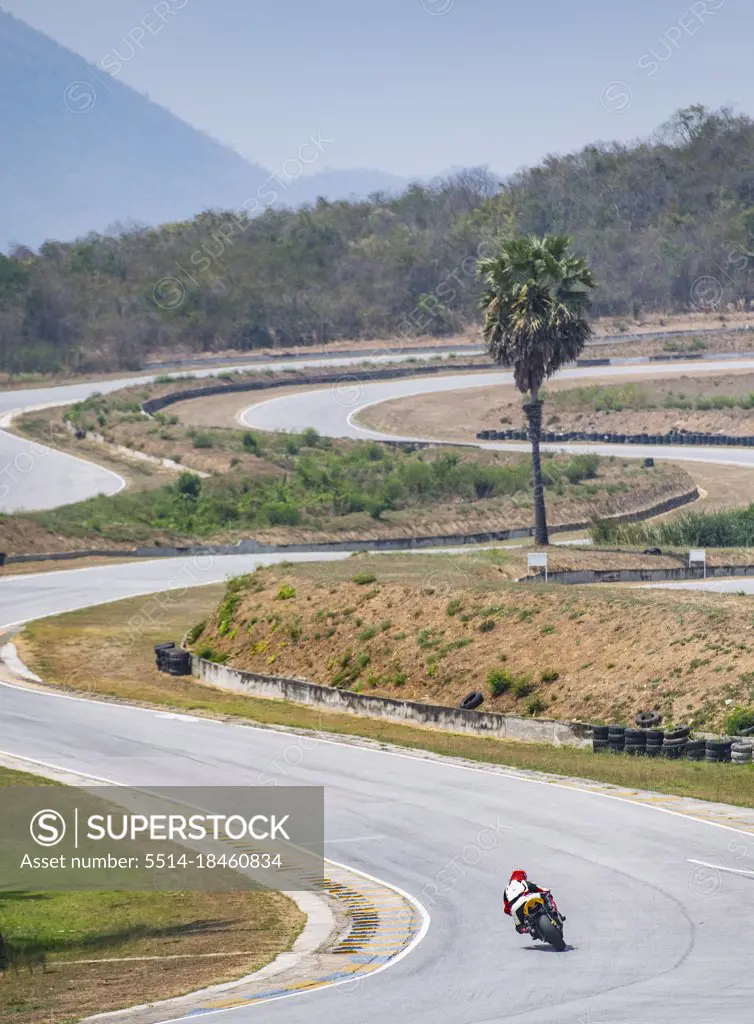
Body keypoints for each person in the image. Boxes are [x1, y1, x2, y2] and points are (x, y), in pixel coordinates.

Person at [503, 869, 564, 936]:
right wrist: (547, 891)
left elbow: (506, 909)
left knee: (520, 927)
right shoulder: (523, 882)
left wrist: (515, 914)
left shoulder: (506, 889)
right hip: (527, 897)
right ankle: (553, 910)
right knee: (546, 896)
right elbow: (541, 889)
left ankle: (530, 929)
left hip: (514, 908)